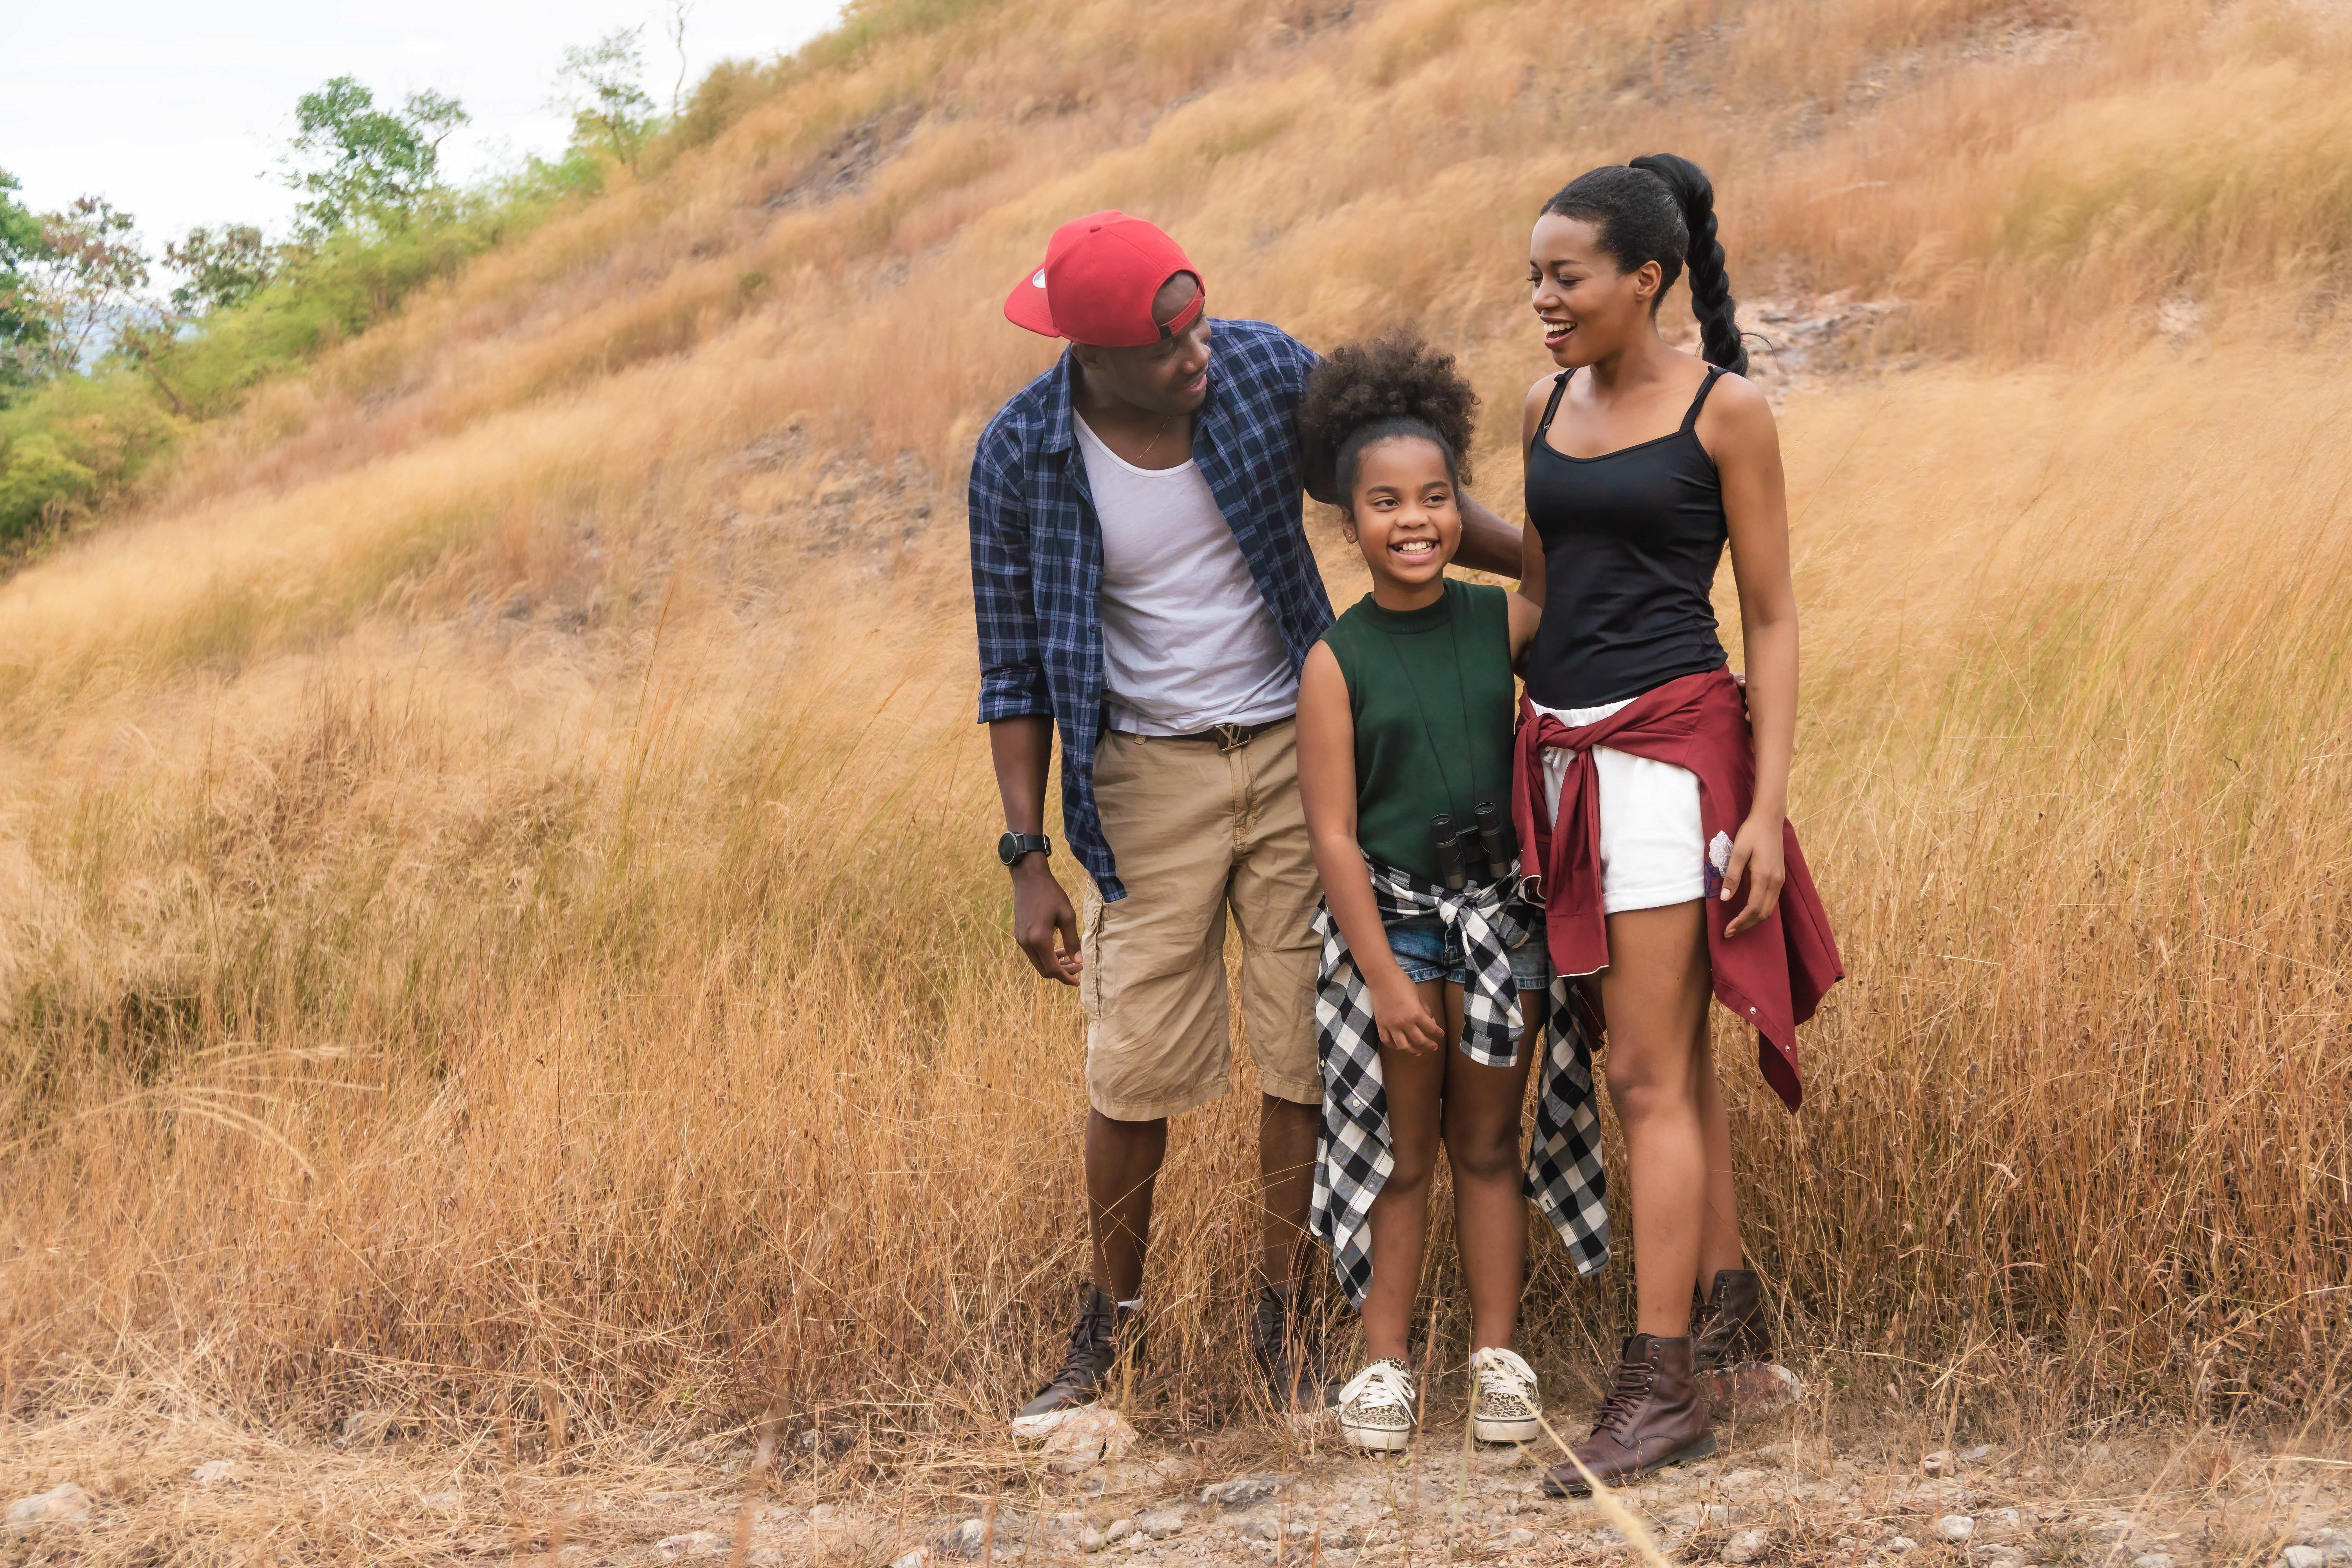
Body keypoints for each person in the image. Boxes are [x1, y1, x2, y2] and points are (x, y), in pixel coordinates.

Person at [969, 212, 1528, 1435]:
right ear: (1096, 354)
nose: (1199, 354)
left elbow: (1407, 485)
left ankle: (1284, 1318)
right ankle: (1105, 1332)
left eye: (1200, 321)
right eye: (1171, 345)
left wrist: (1555, 562)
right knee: (1132, 1069)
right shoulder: (1021, 457)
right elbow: (1010, 672)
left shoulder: (1266, 369)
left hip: (1298, 748)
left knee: (1303, 1048)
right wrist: (1026, 854)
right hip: (1143, 778)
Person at [1510, 156, 1844, 1494]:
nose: (1542, 299)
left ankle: (1656, 1391)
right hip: (1560, 765)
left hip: (1670, 760)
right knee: (1666, 1066)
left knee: (1644, 1076)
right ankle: (1734, 1331)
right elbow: (1542, 594)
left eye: (1566, 276)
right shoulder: (1538, 400)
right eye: (1533, 276)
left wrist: (1764, 809)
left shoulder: (1728, 411)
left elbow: (1771, 615)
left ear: (1644, 280)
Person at [1292, 336, 1611, 1453]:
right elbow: (1331, 831)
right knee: (1398, 1148)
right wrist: (1379, 972)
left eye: (1435, 499)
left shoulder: (1497, 624)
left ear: (1460, 508)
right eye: (1385, 503)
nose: (1413, 521)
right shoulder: (1336, 660)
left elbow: (1558, 581)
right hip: (1400, 934)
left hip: (1498, 933)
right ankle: (1384, 1364)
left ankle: (1496, 1355)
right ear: (1349, 521)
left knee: (1489, 1144)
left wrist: (1508, 493)